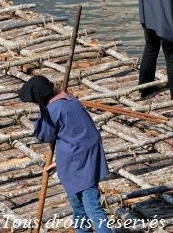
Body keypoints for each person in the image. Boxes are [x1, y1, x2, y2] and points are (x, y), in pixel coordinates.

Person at [18, 75, 111, 233]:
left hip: (79, 159)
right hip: (75, 157)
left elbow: (44, 135)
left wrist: (43, 114)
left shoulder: (54, 109)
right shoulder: (69, 99)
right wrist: (61, 162)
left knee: (92, 207)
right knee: (78, 207)